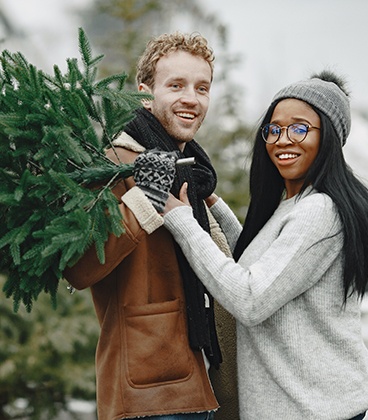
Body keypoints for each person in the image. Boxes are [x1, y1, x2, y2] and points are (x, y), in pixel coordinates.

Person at [162, 70, 368, 419]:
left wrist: (182, 223)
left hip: (312, 408)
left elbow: (250, 298)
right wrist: (213, 205)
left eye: (299, 128)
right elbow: (267, 264)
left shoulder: (318, 211)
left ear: (329, 137)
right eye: (274, 129)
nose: (282, 140)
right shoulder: (296, 203)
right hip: (307, 405)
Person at [64, 31, 238, 420]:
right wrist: (147, 197)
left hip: (198, 384)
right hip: (146, 396)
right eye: (175, 85)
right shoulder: (115, 164)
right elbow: (79, 266)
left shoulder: (193, 171)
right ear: (145, 93)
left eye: (202, 87)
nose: (191, 98)